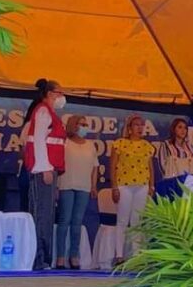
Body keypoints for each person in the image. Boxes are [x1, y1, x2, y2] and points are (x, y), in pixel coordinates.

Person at [22, 78, 66, 271]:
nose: (62, 97)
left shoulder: (50, 113)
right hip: (43, 170)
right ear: (50, 94)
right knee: (41, 215)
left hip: (49, 169)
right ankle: (38, 259)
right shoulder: (42, 111)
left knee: (46, 215)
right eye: (59, 93)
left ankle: (43, 259)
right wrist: (45, 167)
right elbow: (39, 141)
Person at [109, 115, 155, 267]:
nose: (140, 128)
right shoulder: (119, 144)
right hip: (124, 184)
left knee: (137, 220)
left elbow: (150, 167)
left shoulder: (147, 146)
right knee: (122, 220)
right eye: (136, 125)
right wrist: (114, 187)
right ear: (129, 128)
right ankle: (119, 255)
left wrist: (152, 185)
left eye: (142, 125)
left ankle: (136, 255)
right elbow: (113, 166)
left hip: (142, 185)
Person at [55, 115, 98, 270]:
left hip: (84, 187)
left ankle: (74, 256)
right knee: (64, 220)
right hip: (66, 184)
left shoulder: (91, 145)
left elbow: (95, 167)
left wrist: (94, 186)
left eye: (86, 124)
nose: (85, 127)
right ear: (74, 125)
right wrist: (56, 187)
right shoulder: (65, 142)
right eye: (82, 124)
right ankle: (60, 257)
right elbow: (57, 164)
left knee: (77, 222)